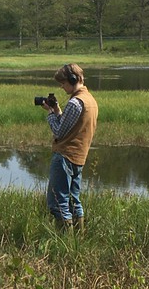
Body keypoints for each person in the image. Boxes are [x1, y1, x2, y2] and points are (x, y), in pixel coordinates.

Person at [41, 63, 98, 232]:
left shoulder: (75, 103)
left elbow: (59, 131)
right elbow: (71, 126)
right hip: (79, 157)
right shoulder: (90, 100)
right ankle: (78, 239)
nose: (62, 86)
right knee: (74, 200)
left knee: (58, 202)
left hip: (65, 156)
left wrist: (50, 114)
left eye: (63, 83)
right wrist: (58, 111)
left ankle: (64, 241)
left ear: (74, 79)